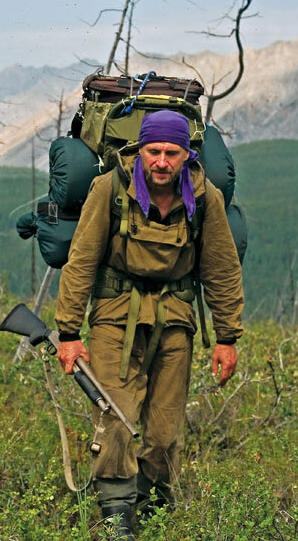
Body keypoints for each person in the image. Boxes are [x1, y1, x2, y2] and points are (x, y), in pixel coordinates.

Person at [55, 109, 245, 537]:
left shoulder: (205, 196)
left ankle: (154, 504)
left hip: (175, 320)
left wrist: (227, 337)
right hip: (114, 318)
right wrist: (68, 332)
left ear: (187, 154)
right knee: (116, 417)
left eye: (171, 153)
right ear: (139, 150)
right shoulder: (109, 189)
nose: (161, 161)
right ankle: (117, 514)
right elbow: (81, 260)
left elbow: (221, 268)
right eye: (153, 151)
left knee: (164, 429)